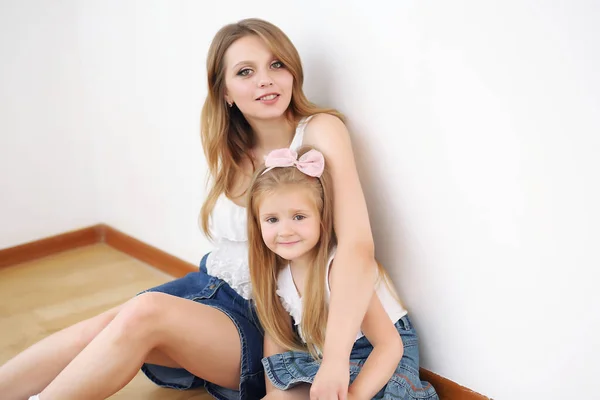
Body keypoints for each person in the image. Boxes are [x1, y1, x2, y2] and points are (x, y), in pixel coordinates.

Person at [0, 18, 379, 400]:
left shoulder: (319, 131)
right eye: (245, 72)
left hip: (269, 315)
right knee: (101, 326)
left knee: (143, 311)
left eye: (276, 64)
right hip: (209, 286)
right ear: (226, 92)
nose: (265, 79)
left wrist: (334, 357)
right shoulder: (231, 147)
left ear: (294, 73)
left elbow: (357, 248)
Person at [246, 147, 438, 400]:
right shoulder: (279, 274)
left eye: (299, 217)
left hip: (377, 358)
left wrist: (355, 396)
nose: (285, 231)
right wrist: (277, 394)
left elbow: (390, 346)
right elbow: (275, 343)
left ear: (322, 219)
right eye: (272, 220)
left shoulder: (340, 268)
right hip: (324, 358)